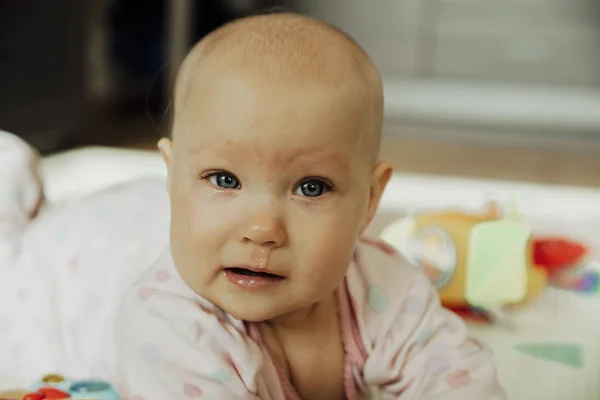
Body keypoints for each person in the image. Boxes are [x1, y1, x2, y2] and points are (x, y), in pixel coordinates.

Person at [112, 12, 505, 400]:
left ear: (369, 200)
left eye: (311, 187)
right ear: (172, 174)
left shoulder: (383, 287)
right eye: (224, 179)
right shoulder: (169, 326)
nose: (263, 229)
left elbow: (463, 379)